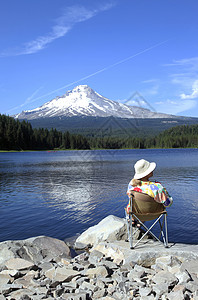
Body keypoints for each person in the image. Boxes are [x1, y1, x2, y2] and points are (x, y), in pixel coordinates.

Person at [126, 159, 173, 225]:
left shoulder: (131, 184)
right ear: (147, 173)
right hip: (153, 214)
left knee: (137, 204)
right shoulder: (156, 187)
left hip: (135, 212)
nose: (152, 170)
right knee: (151, 205)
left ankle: (133, 220)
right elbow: (168, 204)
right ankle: (140, 224)